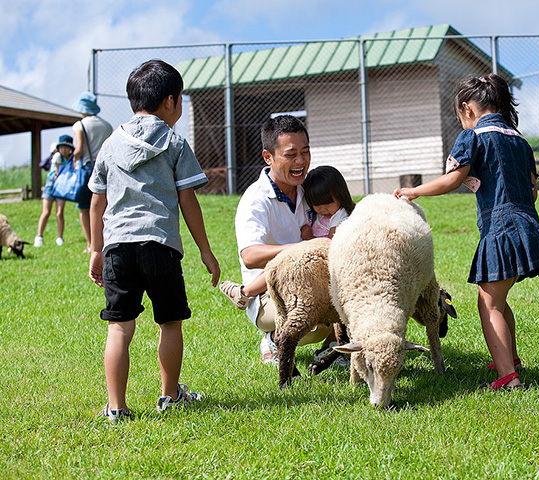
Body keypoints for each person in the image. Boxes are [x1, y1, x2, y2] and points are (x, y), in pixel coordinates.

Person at [394, 73, 539, 391]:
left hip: (500, 228)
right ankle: (510, 360)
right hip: (527, 225)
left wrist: (413, 191)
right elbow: (533, 191)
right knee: (499, 298)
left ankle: (508, 378)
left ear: (466, 107)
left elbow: (452, 180)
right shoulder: (520, 141)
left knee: (488, 304)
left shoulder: (471, 138)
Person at [88, 59, 221, 423]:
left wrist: (96, 248)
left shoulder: (111, 145)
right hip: (160, 245)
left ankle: (116, 407)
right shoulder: (175, 143)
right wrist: (205, 251)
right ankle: (169, 396)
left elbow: (97, 200)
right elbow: (187, 199)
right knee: (170, 322)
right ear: (170, 101)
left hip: (117, 247)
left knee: (119, 327)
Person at [220, 115, 333, 364]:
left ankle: (335, 347)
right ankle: (273, 336)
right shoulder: (255, 199)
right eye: (291, 154)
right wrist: (304, 249)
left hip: (312, 279)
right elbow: (250, 257)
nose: (301, 161)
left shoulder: (311, 190)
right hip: (268, 294)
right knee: (314, 313)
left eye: (305, 152)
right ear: (268, 157)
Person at [219, 165, 355, 308]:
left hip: (321, 265)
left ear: (340, 196)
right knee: (275, 267)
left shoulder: (340, 216)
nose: (322, 209)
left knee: (281, 265)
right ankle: (245, 293)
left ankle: (246, 292)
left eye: (328, 204)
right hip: (305, 262)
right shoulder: (321, 213)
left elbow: (331, 243)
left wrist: (308, 243)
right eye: (317, 205)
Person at [71, 91, 113, 253]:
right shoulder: (106, 125)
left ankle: (90, 244)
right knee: (105, 206)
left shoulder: (79, 125)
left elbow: (79, 150)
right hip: (106, 168)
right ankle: (105, 240)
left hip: (88, 168)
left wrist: (74, 158)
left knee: (84, 207)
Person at [34, 135, 74, 247]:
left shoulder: (72, 158)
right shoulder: (57, 156)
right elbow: (57, 173)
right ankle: (39, 236)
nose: (64, 149)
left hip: (62, 187)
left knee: (59, 213)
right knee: (46, 212)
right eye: (62, 147)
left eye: (66, 147)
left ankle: (60, 237)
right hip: (51, 185)